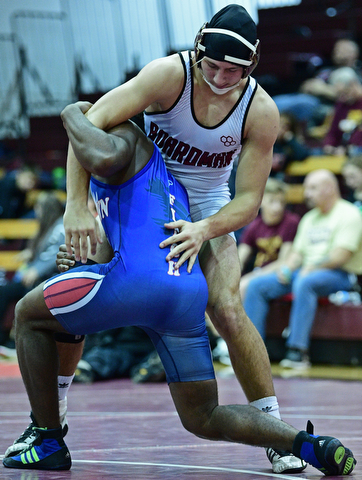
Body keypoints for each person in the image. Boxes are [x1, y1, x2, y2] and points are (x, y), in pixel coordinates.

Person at [3, 101, 356, 476]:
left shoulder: (125, 138)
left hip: (140, 282)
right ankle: (306, 444)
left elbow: (99, 153)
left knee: (28, 315)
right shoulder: (152, 178)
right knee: (203, 416)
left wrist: (72, 113)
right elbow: (106, 250)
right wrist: (79, 257)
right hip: (185, 293)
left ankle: (47, 438)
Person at [57, 5, 306, 473]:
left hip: (206, 209)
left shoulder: (261, 110)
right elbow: (87, 125)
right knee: (79, 286)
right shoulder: (167, 75)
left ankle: (276, 432)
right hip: (143, 197)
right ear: (198, 50)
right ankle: (52, 422)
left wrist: (204, 229)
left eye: (234, 71)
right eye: (212, 66)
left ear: (251, 67)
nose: (220, 77)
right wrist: (76, 204)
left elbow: (249, 199)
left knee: (229, 309)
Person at [243, 169, 362, 369]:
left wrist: (312, 267)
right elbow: (297, 253)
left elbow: (341, 255)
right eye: (306, 188)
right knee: (257, 285)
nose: (307, 193)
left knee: (305, 282)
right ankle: (253, 352)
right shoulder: (309, 218)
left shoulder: (349, 213)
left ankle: (298, 350)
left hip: (341, 274)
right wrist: (287, 269)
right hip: (305, 271)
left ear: (330, 188)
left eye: (312, 188)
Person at [0, 192, 65, 351]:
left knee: (27, 294)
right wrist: (30, 254)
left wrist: (36, 269)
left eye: (38, 207)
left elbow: (57, 252)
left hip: (47, 279)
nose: (36, 211)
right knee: (4, 291)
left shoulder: (60, 226)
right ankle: (3, 339)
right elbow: (45, 250)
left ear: (47, 208)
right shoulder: (48, 226)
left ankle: (27, 341)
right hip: (35, 277)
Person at [237, 178, 300, 301]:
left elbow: (283, 261)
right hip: (258, 272)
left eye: (281, 202)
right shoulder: (254, 226)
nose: (277, 208)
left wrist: (252, 277)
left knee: (246, 285)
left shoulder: (291, 222)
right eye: (272, 201)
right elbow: (240, 258)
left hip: (278, 275)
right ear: (261, 202)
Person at [273, 38, 361, 124]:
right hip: (304, 97)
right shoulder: (326, 70)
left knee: (277, 105)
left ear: (353, 54)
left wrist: (320, 89)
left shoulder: (348, 73)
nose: (337, 51)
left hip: (320, 105)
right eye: (336, 49)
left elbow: (342, 97)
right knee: (277, 100)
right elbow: (306, 85)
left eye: (342, 49)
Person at [322, 67, 362, 156]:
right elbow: (333, 131)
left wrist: (347, 150)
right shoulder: (341, 105)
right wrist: (328, 145)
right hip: (342, 150)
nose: (342, 98)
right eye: (339, 94)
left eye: (345, 93)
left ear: (353, 84)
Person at [271, 112, 310, 178]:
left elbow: (302, 155)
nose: (280, 129)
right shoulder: (268, 142)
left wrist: (290, 139)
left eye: (284, 126)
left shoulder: (289, 145)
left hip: (281, 177)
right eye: (279, 124)